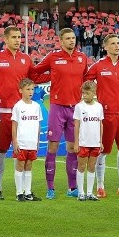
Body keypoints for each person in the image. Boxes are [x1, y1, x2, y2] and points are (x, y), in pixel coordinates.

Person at [0, 25, 43, 200]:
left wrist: (56, 75)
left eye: (19, 37)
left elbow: (35, 78)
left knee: (20, 150)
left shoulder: (26, 59)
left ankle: (21, 191)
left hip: (22, 114)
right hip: (1, 112)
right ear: (5, 39)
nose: (17, 40)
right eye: (13, 37)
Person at [31, 27, 88, 199]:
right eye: (68, 38)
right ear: (61, 41)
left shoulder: (82, 58)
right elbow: (35, 73)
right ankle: (51, 188)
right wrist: (50, 77)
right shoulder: (53, 57)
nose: (72, 41)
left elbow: (86, 79)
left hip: (76, 109)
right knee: (53, 146)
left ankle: (72, 188)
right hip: (57, 107)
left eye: (73, 38)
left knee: (72, 148)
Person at [84, 33, 119, 198]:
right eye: (112, 43)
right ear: (105, 47)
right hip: (106, 115)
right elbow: (85, 82)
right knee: (102, 151)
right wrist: (90, 99)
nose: (116, 46)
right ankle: (100, 186)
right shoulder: (99, 66)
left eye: (118, 43)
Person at [11, 78, 42, 202]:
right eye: (28, 89)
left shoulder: (36, 106)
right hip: (22, 142)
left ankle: (28, 192)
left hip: (32, 142)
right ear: (21, 90)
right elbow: (14, 125)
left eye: (32, 89)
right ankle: (19, 193)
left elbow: (38, 126)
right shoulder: (18, 106)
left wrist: (38, 141)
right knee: (20, 165)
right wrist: (15, 141)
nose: (31, 92)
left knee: (29, 166)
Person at [73, 81, 104, 201]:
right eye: (83, 93)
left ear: (94, 93)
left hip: (95, 142)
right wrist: (76, 142)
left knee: (92, 167)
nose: (84, 95)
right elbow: (76, 125)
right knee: (81, 166)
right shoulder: (79, 107)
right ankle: (81, 192)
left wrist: (101, 141)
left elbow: (101, 124)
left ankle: (90, 192)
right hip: (83, 142)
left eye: (87, 93)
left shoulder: (99, 107)